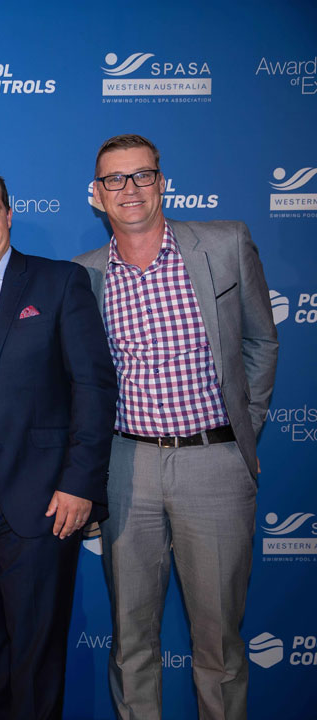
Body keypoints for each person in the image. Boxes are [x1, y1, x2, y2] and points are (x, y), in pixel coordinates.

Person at [74, 134, 278, 720]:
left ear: (162, 182)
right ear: (97, 194)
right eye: (114, 179)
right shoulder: (82, 275)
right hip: (124, 469)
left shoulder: (225, 243)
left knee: (219, 642)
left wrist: (243, 434)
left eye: (142, 175)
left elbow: (262, 342)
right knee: (130, 638)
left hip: (214, 463)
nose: (130, 189)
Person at [0, 167, 117, 719]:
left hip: (42, 496)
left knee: (35, 654)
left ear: (10, 216)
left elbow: (93, 386)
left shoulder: (58, 282)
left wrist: (80, 483)